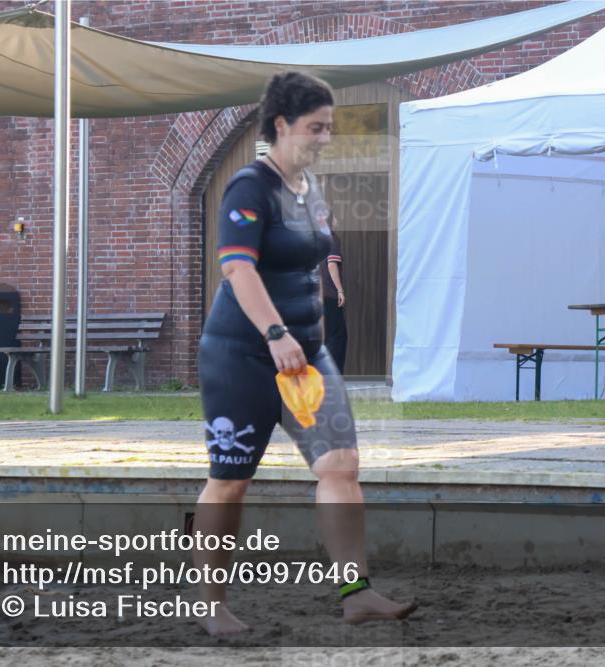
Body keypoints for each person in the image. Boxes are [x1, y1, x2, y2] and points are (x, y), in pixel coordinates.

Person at [194, 71, 418, 636]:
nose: (325, 137)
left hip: (307, 355)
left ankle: (356, 594)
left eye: (330, 127)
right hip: (243, 355)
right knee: (231, 480)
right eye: (316, 127)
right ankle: (208, 604)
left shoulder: (307, 189)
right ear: (280, 125)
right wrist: (275, 333)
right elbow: (237, 268)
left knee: (340, 466)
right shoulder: (249, 186)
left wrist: (302, 337)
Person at [320, 217, 348, 373]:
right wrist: (340, 290)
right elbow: (332, 264)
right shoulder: (332, 238)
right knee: (337, 336)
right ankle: (333, 374)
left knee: (326, 336)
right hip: (329, 294)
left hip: (316, 295)